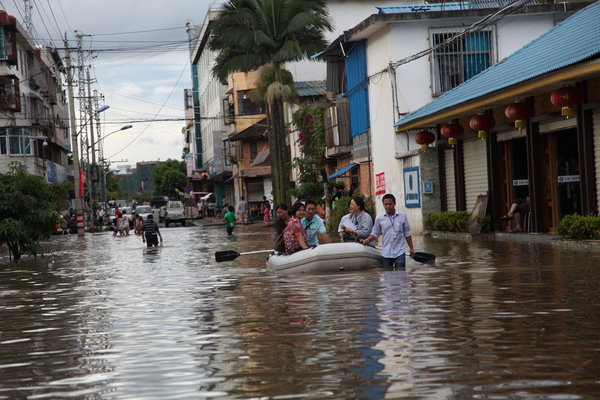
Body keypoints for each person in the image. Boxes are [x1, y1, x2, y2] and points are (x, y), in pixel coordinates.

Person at [362, 193, 415, 268]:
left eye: (390, 204)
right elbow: (375, 233)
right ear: (383, 204)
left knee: (401, 274)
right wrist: (367, 240)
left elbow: (407, 233)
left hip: (400, 251)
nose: (388, 206)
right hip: (386, 253)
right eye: (385, 204)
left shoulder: (402, 216)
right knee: (387, 275)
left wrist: (411, 248)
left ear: (394, 204)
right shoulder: (379, 218)